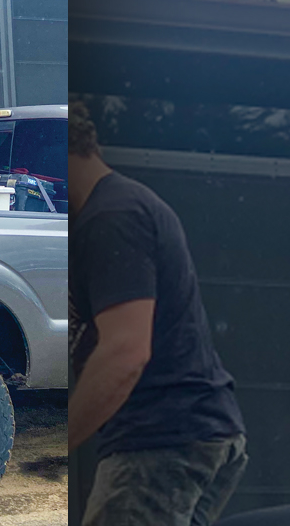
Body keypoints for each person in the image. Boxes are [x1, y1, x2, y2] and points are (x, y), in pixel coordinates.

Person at [68, 101, 246, 525]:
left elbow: (127, 352)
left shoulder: (114, 217)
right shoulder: (118, 209)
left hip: (162, 442)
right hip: (189, 434)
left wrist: (64, 437)